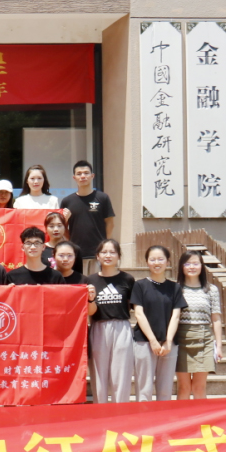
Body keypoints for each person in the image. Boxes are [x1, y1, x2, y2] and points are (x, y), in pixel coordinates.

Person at [132, 245, 187, 401]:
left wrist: (168, 341)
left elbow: (176, 316)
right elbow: (139, 313)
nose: (157, 263)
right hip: (144, 341)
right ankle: (144, 416)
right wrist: (153, 340)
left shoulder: (175, 287)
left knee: (165, 389)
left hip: (169, 344)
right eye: (153, 259)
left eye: (160, 259)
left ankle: (163, 417)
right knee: (144, 389)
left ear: (167, 262)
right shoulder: (140, 285)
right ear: (147, 262)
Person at [87, 239, 135, 404]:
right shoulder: (90, 280)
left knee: (121, 374)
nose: (108, 255)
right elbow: (89, 311)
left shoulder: (127, 279)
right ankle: (100, 410)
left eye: (112, 252)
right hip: (98, 327)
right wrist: (90, 299)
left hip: (121, 327)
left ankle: (120, 411)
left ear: (119, 256)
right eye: (104, 252)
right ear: (97, 256)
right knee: (98, 374)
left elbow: (135, 307)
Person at [175, 251, 224, 400]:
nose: (192, 267)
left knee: (199, 387)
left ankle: (201, 416)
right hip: (181, 339)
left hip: (204, 340)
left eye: (195, 263)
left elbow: (216, 319)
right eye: (187, 263)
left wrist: (219, 346)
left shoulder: (211, 290)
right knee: (183, 387)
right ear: (181, 266)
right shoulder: (176, 289)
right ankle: (183, 416)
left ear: (201, 266)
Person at [60, 161, 115, 275]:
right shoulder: (67, 201)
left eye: (86, 173)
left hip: (98, 254)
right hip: (76, 254)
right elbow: (62, 226)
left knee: (97, 283)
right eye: (79, 174)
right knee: (80, 283)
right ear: (74, 177)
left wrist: (105, 245)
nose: (83, 176)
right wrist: (71, 241)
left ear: (92, 176)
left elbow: (110, 223)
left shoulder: (103, 198)